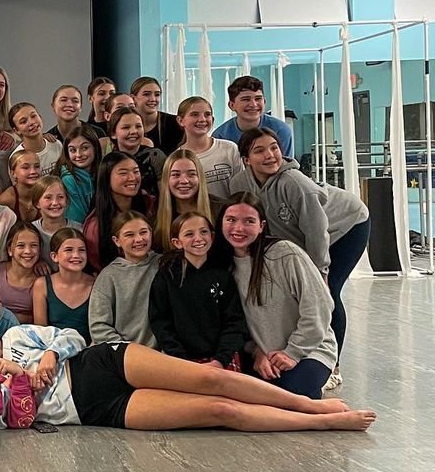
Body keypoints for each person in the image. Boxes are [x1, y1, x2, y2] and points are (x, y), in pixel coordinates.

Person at [0, 325, 373, 432]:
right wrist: (15, 379)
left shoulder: (14, 338)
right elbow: (3, 418)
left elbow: (73, 336)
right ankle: (322, 423)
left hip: (99, 364)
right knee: (220, 410)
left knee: (212, 379)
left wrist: (50, 355)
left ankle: (307, 405)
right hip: (95, 409)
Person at [230, 129, 369, 366]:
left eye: (274, 148)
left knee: (326, 293)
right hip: (300, 236)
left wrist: (320, 272)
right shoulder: (239, 183)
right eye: (259, 151)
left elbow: (316, 232)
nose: (270, 155)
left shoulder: (295, 184)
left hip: (346, 226)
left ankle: (333, 365)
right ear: (246, 159)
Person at [217, 194, 339, 400]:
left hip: (308, 351)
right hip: (264, 356)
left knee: (291, 397)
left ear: (262, 226)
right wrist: (256, 352)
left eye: (249, 221)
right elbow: (236, 323)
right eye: (231, 220)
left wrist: (292, 352)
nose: (238, 228)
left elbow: (319, 307)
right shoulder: (224, 267)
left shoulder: (285, 254)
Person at [149, 213, 247, 366]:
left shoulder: (222, 274)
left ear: (212, 236)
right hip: (180, 361)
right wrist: (182, 360)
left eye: (204, 232)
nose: (198, 238)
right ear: (177, 242)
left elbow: (234, 321)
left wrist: (220, 360)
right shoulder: (167, 276)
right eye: (189, 234)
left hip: (221, 358)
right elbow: (160, 322)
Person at [88, 211, 160, 346]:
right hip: (124, 352)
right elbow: (99, 326)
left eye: (143, 232)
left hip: (165, 352)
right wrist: (128, 350)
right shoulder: (108, 276)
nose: (139, 239)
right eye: (129, 235)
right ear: (117, 241)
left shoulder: (164, 265)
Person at [82, 152, 154, 271]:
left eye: (136, 171)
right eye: (123, 173)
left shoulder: (151, 205)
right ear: (106, 178)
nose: (132, 178)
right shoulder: (95, 226)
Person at [175, 96, 242, 206]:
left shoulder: (230, 149)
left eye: (207, 114)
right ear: (180, 120)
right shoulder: (177, 158)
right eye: (194, 114)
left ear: (213, 119)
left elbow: (241, 189)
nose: (202, 119)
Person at [213, 75, 294, 158]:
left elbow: (286, 164)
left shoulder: (280, 130)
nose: (253, 104)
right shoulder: (220, 137)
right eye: (246, 99)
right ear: (232, 105)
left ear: (264, 102)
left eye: (258, 98)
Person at [32, 228, 93, 337]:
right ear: (54, 256)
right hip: (53, 345)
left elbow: (100, 329)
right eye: (69, 250)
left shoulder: (96, 284)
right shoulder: (42, 284)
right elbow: (41, 331)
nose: (76, 255)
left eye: (81, 250)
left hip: (91, 346)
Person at [153, 148, 215, 252]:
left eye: (191, 174)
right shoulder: (156, 218)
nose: (184, 181)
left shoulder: (220, 210)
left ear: (200, 177)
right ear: (166, 179)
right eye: (176, 175)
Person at [106, 106, 164, 200]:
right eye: (126, 127)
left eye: (138, 126)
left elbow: (165, 195)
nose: (133, 131)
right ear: (113, 134)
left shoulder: (155, 156)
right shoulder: (108, 161)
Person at [0, 221, 41, 324]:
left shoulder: (43, 277)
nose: (28, 251)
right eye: (21, 246)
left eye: (34, 245)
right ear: (10, 250)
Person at [56, 129, 101, 226]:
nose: (78, 155)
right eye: (72, 150)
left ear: (95, 147)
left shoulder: (102, 171)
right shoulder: (68, 179)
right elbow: (76, 220)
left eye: (84, 148)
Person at [130, 76, 182, 154]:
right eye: (146, 94)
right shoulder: (125, 124)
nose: (153, 99)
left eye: (157, 95)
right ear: (133, 98)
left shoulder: (174, 123)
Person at [8, 102, 62, 177]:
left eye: (33, 116)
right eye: (23, 121)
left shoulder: (56, 145)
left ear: (40, 117)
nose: (31, 122)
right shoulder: (16, 157)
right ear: (17, 130)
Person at [29, 175, 76, 256]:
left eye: (60, 197)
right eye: (48, 197)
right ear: (37, 203)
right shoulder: (30, 231)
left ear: (66, 200)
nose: (55, 203)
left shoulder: (79, 230)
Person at [0, 149, 42, 222]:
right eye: (25, 167)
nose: (33, 171)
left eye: (37, 166)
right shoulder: (5, 200)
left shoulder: (45, 195)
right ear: (13, 173)